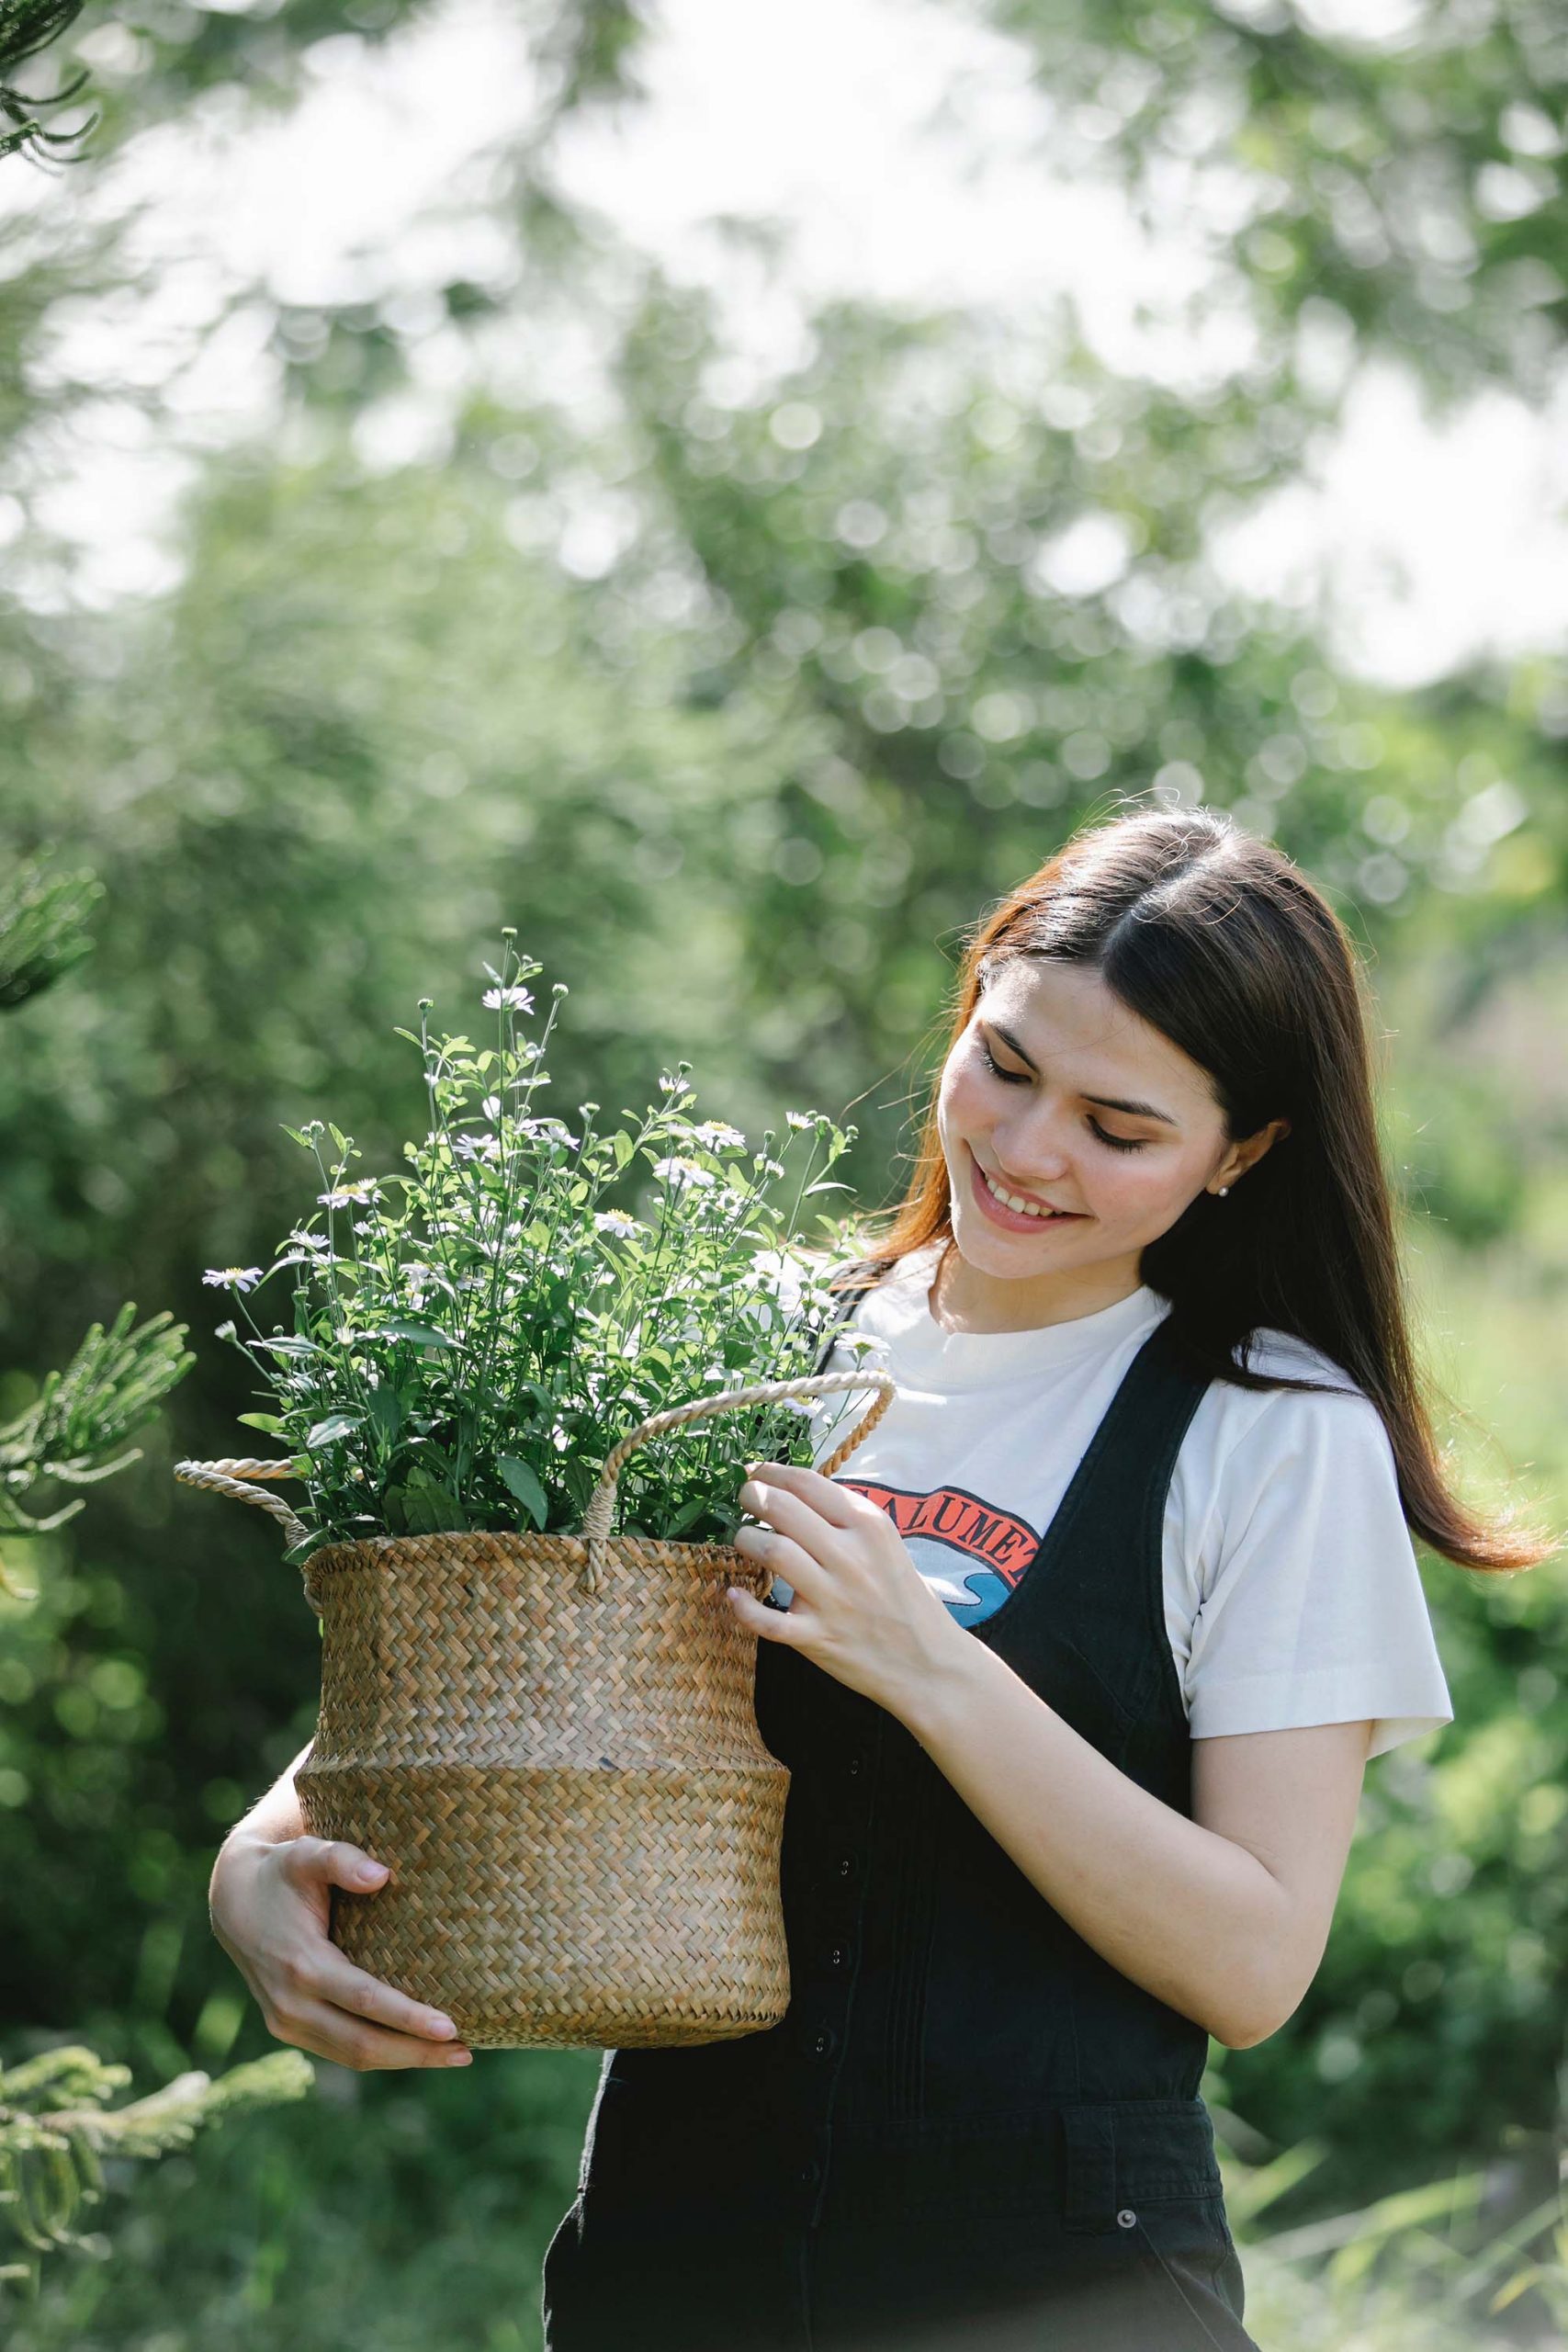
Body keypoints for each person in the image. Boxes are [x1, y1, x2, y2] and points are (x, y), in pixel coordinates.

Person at [208, 803, 1556, 2352]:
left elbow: (1251, 1963)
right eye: (1006, 1064)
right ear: (974, 993)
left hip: (1067, 2294)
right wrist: (261, 1856)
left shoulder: (1273, 1432)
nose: (1028, 1150)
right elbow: (491, 1653)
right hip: (670, 2261)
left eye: (1121, 1131)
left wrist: (932, 1665)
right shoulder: (753, 1334)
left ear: (1242, 1152)